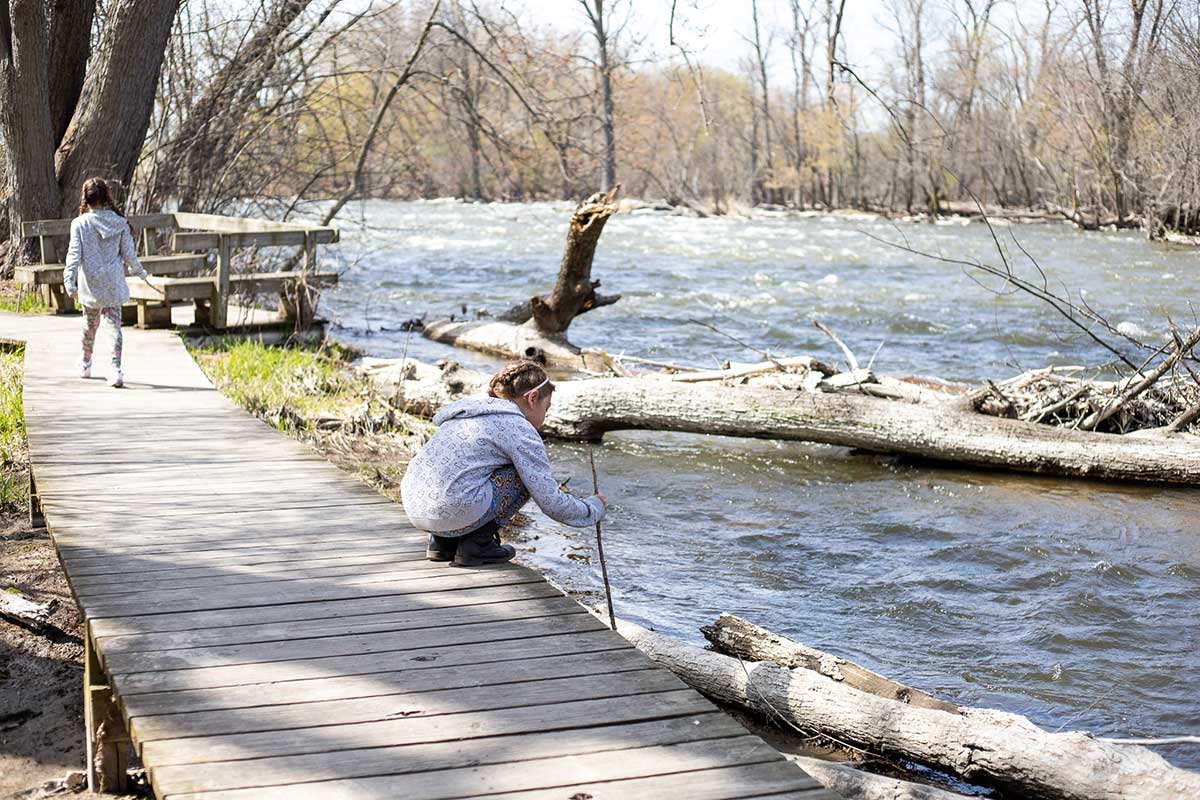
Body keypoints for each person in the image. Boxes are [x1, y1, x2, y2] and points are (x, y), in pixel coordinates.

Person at [401, 360, 607, 567]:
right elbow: (550, 501)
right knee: (525, 475)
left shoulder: (466, 413)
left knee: (467, 474)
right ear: (533, 398)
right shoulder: (519, 428)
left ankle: (442, 544)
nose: (545, 417)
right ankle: (477, 545)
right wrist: (592, 508)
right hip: (451, 513)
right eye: (547, 408)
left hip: (416, 510)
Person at [63, 177, 149, 388]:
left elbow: (73, 256)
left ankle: (85, 364)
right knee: (114, 327)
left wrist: (69, 282)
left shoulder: (80, 224)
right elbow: (129, 255)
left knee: (89, 325)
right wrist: (141, 273)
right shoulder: (119, 223)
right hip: (113, 283)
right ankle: (115, 369)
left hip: (90, 284)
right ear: (106, 197)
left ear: (86, 198)